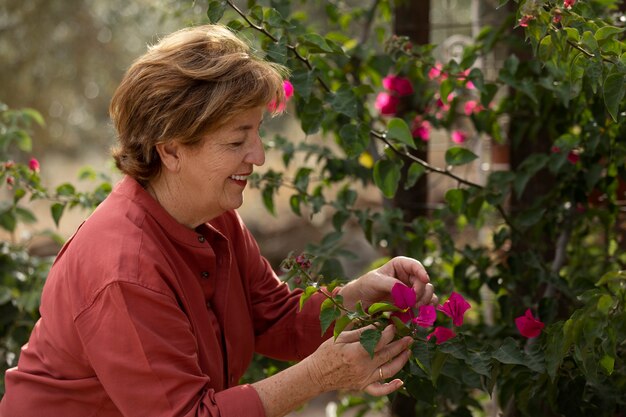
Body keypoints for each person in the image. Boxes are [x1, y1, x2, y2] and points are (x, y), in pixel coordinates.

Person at [0, 24, 437, 417]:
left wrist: (359, 294)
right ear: (170, 150)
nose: (259, 156)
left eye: (257, 131)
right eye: (236, 140)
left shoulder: (213, 216)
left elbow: (274, 317)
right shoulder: (124, 271)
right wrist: (320, 376)